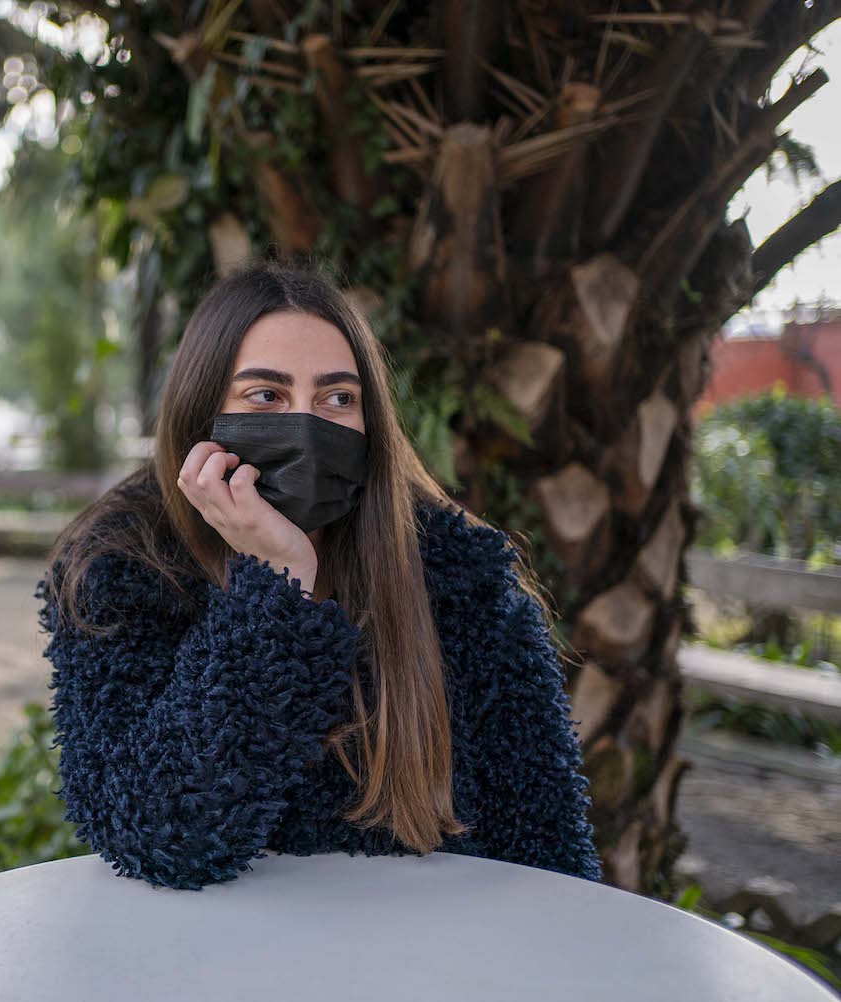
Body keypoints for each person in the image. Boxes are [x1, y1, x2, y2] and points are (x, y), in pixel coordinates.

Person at [34, 259, 602, 891]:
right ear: (202, 418)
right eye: (266, 396)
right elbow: (162, 834)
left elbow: (551, 853)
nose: (307, 427)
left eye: (338, 399)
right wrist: (279, 586)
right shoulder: (120, 570)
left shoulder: (463, 579)